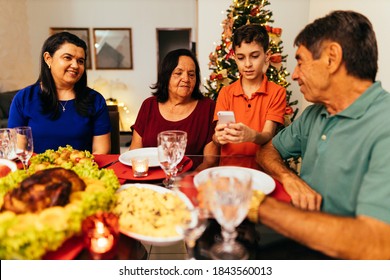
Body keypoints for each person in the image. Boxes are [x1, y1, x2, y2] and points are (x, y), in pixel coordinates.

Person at [255, 10, 390, 259]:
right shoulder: (313, 114)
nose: (294, 74)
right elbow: (267, 151)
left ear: (331, 58)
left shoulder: (385, 124)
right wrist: (289, 178)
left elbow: (378, 245)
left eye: (301, 61)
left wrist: (255, 205)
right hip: (302, 238)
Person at [8, 32, 111, 154]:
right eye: (67, 57)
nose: (75, 65)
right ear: (48, 59)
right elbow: (19, 151)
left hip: (82, 171)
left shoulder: (96, 100)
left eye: (80, 61)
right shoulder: (24, 98)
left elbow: (101, 151)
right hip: (37, 171)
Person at [212, 24, 286, 169]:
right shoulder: (226, 92)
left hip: (260, 173)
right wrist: (217, 138)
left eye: (254, 56)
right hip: (229, 172)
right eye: (241, 58)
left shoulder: (277, 92)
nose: (247, 64)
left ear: (267, 56)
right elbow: (218, 135)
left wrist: (252, 136)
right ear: (234, 58)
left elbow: (267, 134)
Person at [130, 48, 218, 170]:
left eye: (191, 74)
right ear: (166, 76)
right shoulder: (148, 105)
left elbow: (210, 161)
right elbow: (135, 153)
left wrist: (187, 182)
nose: (186, 79)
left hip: (190, 181)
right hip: (150, 181)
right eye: (178, 73)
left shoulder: (208, 107)